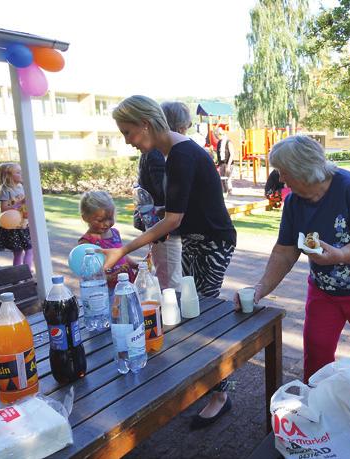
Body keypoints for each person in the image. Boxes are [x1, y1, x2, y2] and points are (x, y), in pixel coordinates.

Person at [104, 95, 236, 430]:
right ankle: (208, 386)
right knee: (185, 312)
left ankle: (220, 393)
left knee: (199, 314)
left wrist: (123, 250)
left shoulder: (180, 154)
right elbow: (178, 211)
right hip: (192, 242)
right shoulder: (171, 153)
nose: (127, 141)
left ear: (145, 125)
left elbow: (175, 218)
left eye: (128, 132)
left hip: (211, 245)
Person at [237, 135, 350, 385]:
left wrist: (340, 256)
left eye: (283, 172)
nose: (280, 178)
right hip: (324, 290)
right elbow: (285, 251)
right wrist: (260, 289)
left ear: (302, 171)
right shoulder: (293, 201)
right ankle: (315, 410)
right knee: (316, 352)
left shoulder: (349, 188)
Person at [134, 101, 190, 292]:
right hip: (165, 230)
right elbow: (165, 192)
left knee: (171, 279)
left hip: (164, 229)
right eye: (187, 126)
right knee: (171, 285)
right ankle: (174, 322)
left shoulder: (161, 151)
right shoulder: (158, 153)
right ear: (180, 126)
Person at [79, 190, 137, 291]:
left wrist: (135, 265)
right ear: (85, 218)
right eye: (100, 220)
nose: (106, 224)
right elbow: (90, 274)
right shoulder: (86, 242)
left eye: (110, 218)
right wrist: (111, 277)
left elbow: (121, 253)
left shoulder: (114, 233)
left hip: (125, 284)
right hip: (106, 291)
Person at [0, 162, 32, 269]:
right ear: (8, 176)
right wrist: (19, 204)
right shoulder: (6, 190)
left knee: (29, 250)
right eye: (18, 172)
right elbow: (3, 209)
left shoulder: (22, 186)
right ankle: (18, 276)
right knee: (18, 253)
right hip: (14, 226)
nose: (21, 174)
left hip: (25, 223)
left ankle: (26, 274)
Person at [215, 127, 235, 195]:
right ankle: (225, 192)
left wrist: (228, 165)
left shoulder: (228, 142)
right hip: (222, 163)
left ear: (220, 134)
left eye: (217, 135)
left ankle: (230, 191)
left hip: (228, 163)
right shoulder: (219, 142)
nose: (216, 137)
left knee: (227, 179)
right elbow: (219, 153)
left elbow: (232, 154)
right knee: (222, 179)